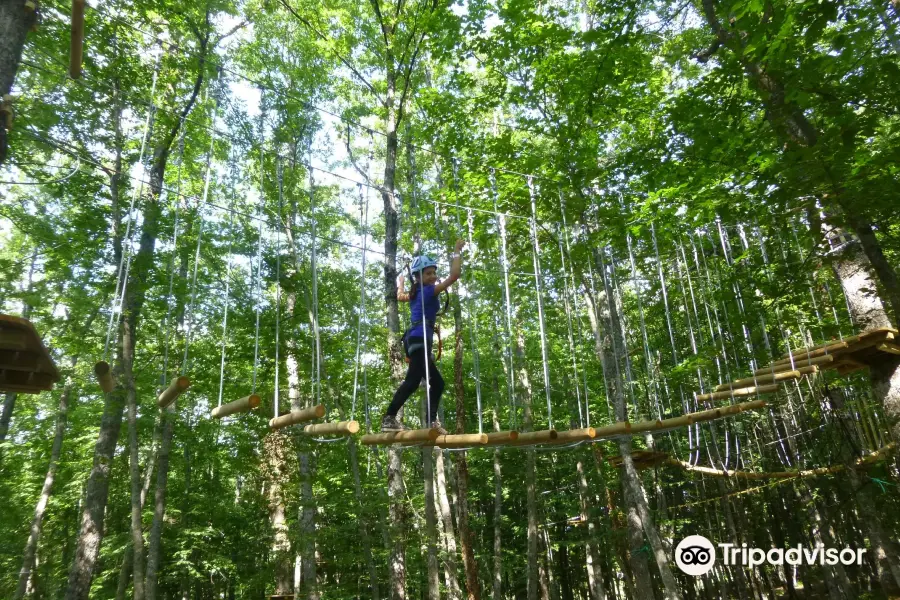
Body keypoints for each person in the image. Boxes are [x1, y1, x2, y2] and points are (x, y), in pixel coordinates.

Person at [381, 239, 466, 434]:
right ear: (418, 277)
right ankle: (389, 417)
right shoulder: (428, 291)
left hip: (415, 339)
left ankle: (429, 422)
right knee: (412, 380)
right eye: (428, 273)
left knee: (437, 383)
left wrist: (400, 283)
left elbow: (400, 295)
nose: (433, 276)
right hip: (419, 338)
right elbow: (454, 276)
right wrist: (456, 251)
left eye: (434, 273)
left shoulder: (414, 293)